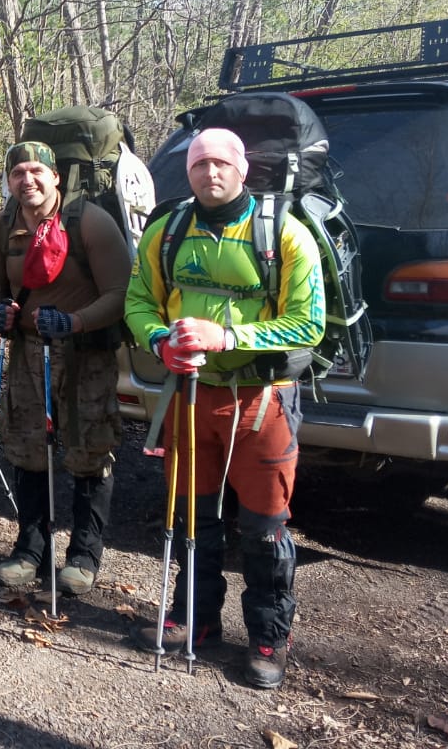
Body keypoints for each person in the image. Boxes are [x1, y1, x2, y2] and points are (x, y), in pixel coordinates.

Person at [125, 127, 324, 689]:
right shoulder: (168, 231)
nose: (209, 173)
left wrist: (226, 336)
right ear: (187, 172)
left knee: (264, 529)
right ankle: (195, 619)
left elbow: (308, 322)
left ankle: (267, 636)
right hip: (189, 400)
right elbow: (139, 301)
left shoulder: (284, 233)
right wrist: (161, 339)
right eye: (198, 165)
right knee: (193, 518)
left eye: (219, 163)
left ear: (242, 168)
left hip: (260, 404)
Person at [0, 141, 131, 596]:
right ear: (8, 181)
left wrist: (76, 321)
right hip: (27, 352)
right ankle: (30, 549)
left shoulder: (89, 223)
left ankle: (83, 553)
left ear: (55, 176)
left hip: (85, 355)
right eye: (18, 173)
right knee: (27, 448)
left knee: (89, 449)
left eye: (37, 171)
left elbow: (122, 293)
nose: (28, 180)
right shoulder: (2, 227)